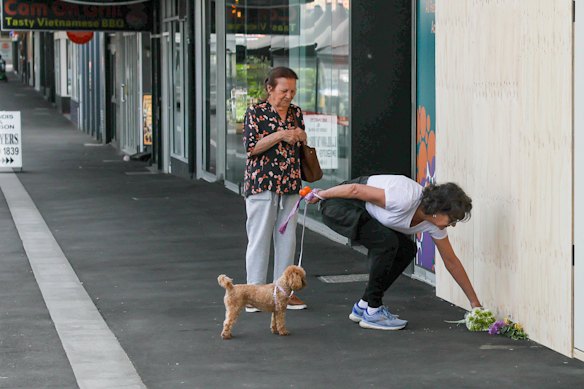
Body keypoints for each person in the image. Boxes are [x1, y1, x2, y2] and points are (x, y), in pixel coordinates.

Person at [307, 175, 482, 330]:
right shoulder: (405, 196)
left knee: (406, 250)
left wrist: (475, 304)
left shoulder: (434, 225)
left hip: (363, 213)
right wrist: (320, 194)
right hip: (340, 204)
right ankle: (373, 310)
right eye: (452, 219)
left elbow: (451, 261)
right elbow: (355, 190)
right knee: (386, 242)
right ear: (439, 210)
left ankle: (363, 306)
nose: (453, 225)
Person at [242, 66, 308, 311]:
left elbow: (301, 144)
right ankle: (254, 292)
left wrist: (300, 135)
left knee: (287, 239)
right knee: (259, 237)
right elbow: (250, 147)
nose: (289, 95)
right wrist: (281, 134)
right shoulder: (255, 112)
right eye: (284, 90)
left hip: (290, 182)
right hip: (262, 183)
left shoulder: (296, 112)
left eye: (292, 90)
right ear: (270, 88)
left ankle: (285, 293)